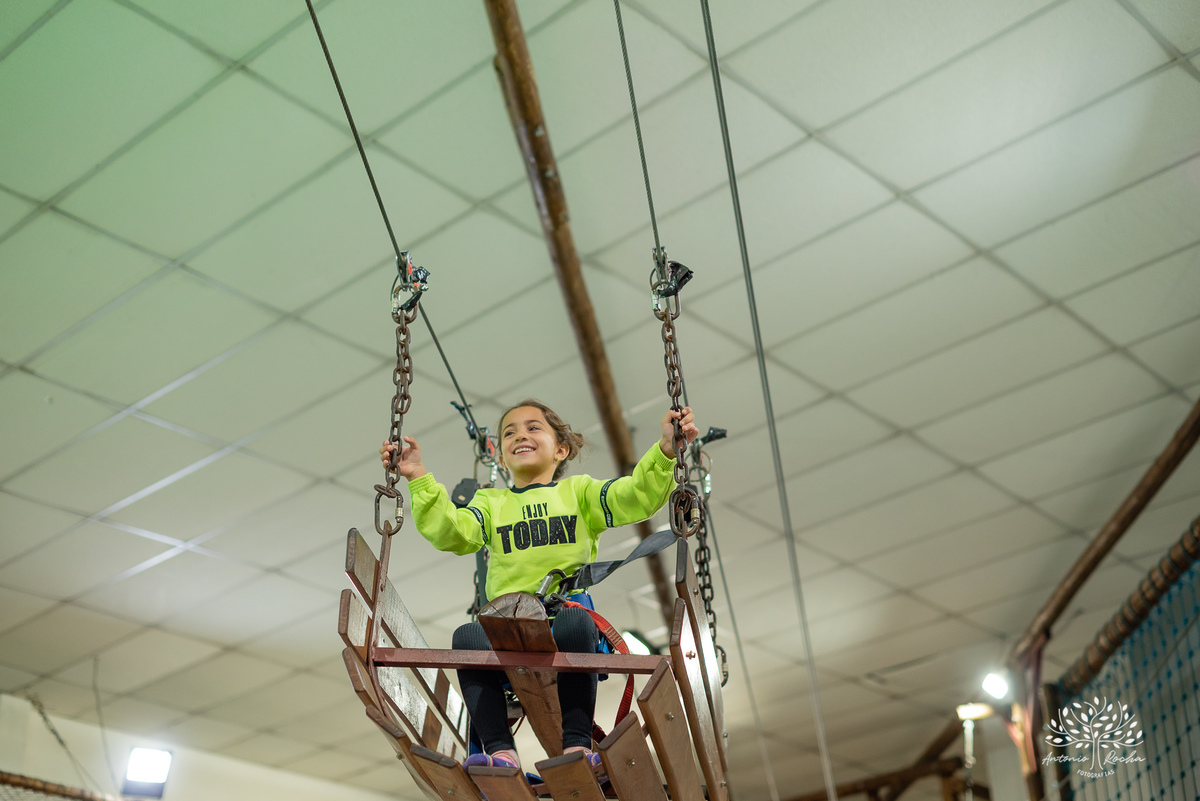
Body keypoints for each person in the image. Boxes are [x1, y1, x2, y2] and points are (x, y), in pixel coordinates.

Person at [380, 399, 697, 772]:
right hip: (508, 624)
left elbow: (633, 497)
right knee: (467, 636)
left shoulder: (578, 493)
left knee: (577, 623)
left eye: (533, 428)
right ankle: (500, 749)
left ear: (560, 449)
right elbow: (451, 532)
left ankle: (576, 742)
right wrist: (417, 476)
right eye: (510, 432)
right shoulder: (489, 504)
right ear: (500, 457)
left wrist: (664, 451)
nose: (520, 436)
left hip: (567, 615)